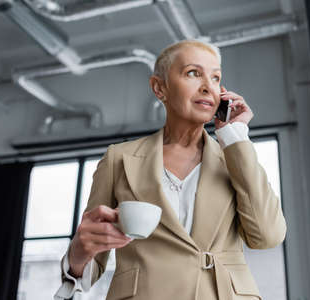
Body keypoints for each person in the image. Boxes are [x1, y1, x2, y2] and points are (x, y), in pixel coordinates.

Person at [54, 39, 287, 300]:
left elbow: (268, 236)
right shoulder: (118, 159)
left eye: (215, 77)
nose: (207, 87)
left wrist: (236, 136)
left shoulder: (234, 155)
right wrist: (78, 253)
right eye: (193, 73)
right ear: (160, 87)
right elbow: (92, 259)